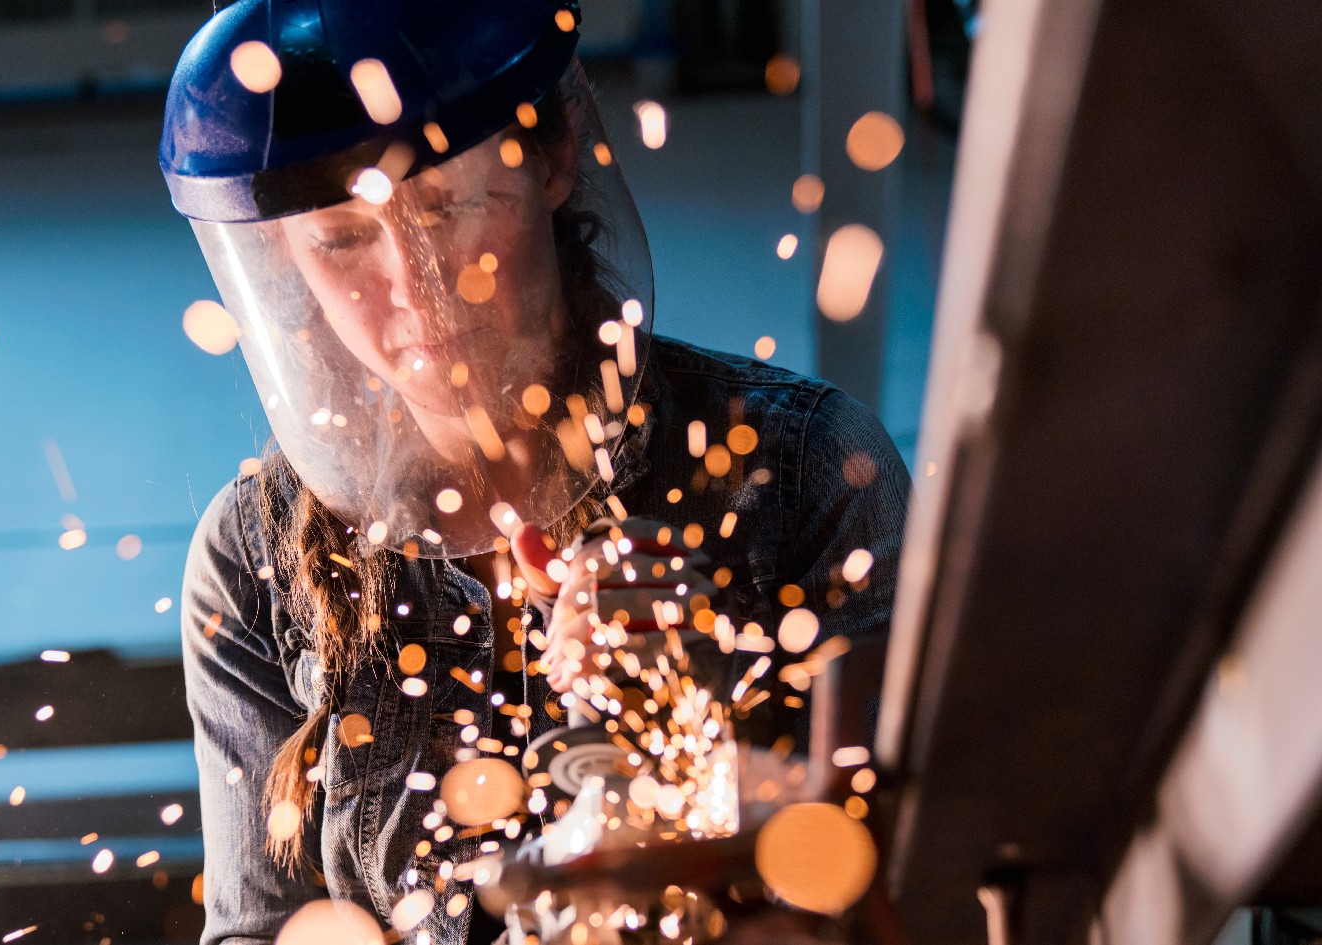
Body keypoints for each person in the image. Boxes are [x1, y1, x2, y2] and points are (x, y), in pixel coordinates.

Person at [162, 2, 911, 944]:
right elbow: (257, 933)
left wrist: (703, 727)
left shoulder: (804, 471)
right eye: (345, 240)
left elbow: (907, 890)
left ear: (553, 161)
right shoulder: (254, 560)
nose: (415, 282)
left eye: (446, 203)